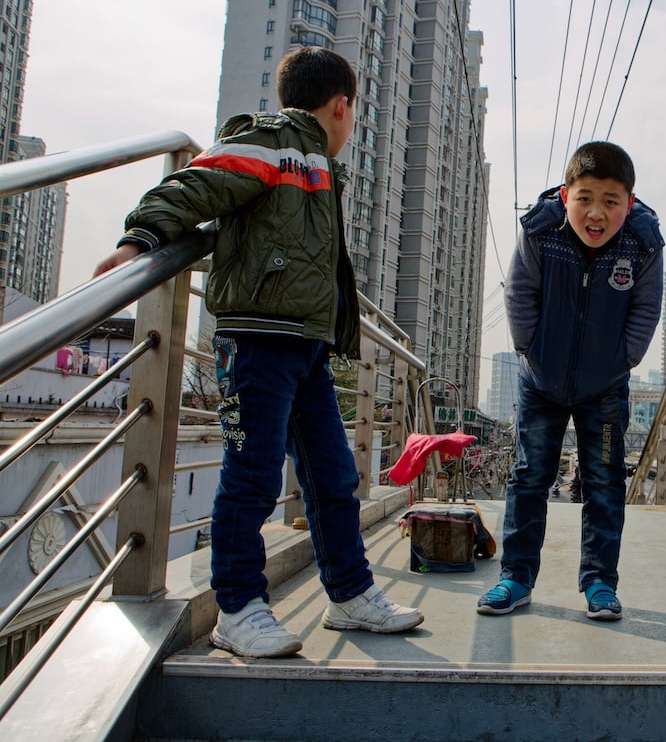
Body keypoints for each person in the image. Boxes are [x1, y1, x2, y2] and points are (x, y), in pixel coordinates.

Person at [94, 47, 424, 657]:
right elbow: (197, 180)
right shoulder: (276, 143)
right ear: (342, 106)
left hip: (304, 347)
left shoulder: (320, 169)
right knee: (251, 478)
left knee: (334, 475)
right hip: (256, 343)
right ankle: (239, 609)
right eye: (353, 115)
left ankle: (351, 595)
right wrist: (140, 238)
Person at [476, 141, 664, 620]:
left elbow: (646, 307)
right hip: (540, 381)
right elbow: (520, 291)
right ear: (566, 195)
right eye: (585, 198)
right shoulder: (542, 232)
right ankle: (515, 578)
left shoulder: (642, 243)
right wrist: (530, 350)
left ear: (630, 202)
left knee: (603, 482)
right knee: (529, 477)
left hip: (605, 388)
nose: (596, 213)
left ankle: (600, 583)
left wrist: (623, 360)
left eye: (610, 201)